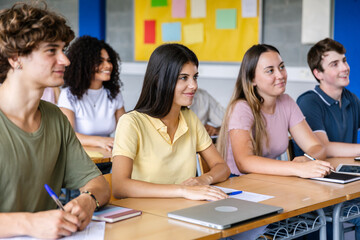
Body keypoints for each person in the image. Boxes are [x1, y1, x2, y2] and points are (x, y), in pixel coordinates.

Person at [0, 3, 110, 238]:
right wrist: (28, 224)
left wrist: (87, 201)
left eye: (64, 49)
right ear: (15, 58)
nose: (66, 60)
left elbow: (98, 185)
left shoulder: (54, 117)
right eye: (52, 50)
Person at [112, 43, 230, 201]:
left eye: (195, 77)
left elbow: (222, 167)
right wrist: (182, 190)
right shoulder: (131, 122)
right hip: (145, 214)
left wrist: (202, 180)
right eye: (183, 78)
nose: (193, 85)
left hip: (183, 210)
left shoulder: (190, 118)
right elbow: (120, 186)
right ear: (159, 80)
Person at [217, 44, 333, 178]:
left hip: (268, 180)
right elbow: (244, 162)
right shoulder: (241, 108)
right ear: (252, 79)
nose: (280, 75)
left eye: (281, 67)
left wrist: (307, 159)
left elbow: (318, 147)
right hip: (239, 182)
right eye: (270, 71)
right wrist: (296, 168)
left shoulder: (286, 102)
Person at [294, 38, 360, 240]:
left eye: (344, 60)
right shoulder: (309, 102)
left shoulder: (350, 98)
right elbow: (324, 147)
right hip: (319, 190)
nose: (345, 68)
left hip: (346, 183)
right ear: (318, 74)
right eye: (335, 64)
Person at [58, 35, 125, 152]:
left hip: (108, 155)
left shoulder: (114, 93)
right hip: (79, 157)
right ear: (84, 64)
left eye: (109, 61)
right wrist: (100, 141)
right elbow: (68, 135)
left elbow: (125, 129)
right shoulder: (68, 94)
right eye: (100, 61)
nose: (108, 65)